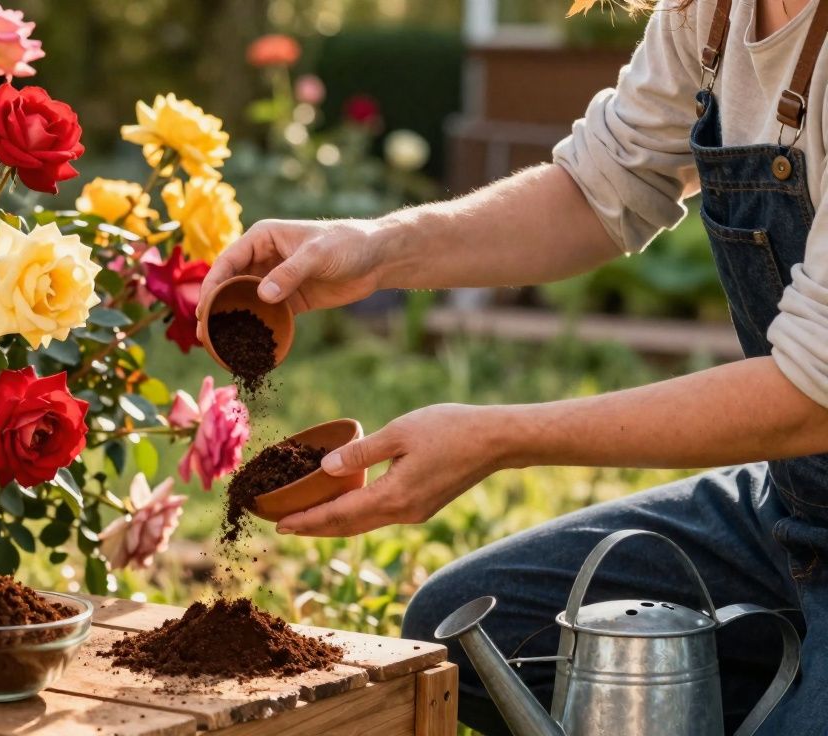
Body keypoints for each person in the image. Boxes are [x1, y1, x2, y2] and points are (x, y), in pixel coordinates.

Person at [199, 0, 828, 732]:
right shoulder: (709, 15)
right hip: (794, 509)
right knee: (462, 632)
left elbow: (810, 394)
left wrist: (499, 437)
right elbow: (600, 187)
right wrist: (378, 247)